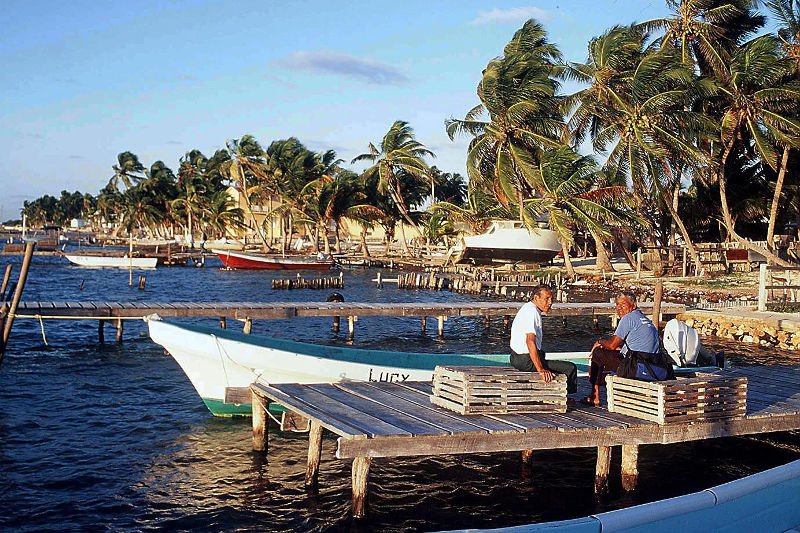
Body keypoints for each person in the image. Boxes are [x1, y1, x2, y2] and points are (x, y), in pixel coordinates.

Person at [582, 291, 660, 406]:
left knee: (598, 353)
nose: (619, 308)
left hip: (635, 368)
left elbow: (612, 344)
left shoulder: (628, 318)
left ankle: (595, 396)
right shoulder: (646, 321)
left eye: (623, 305)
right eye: (617, 305)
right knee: (612, 354)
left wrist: (599, 342)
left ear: (633, 305)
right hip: (651, 367)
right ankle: (617, 388)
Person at [509, 285, 578, 396]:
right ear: (536, 298)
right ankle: (567, 398)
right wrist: (540, 369)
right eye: (546, 299)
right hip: (525, 361)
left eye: (551, 299)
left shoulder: (527, 308)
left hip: (515, 357)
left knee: (543, 354)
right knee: (570, 368)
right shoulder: (533, 312)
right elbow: (530, 341)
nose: (550, 302)